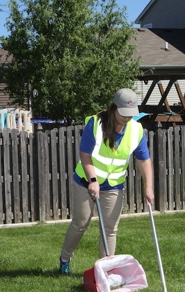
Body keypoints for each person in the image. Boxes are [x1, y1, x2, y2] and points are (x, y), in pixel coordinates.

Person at [59, 88, 154, 275]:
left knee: (110, 228)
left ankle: (105, 270)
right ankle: (65, 258)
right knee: (81, 223)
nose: (127, 118)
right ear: (114, 108)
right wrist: (93, 180)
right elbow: (85, 154)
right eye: (123, 114)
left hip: (114, 185)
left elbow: (144, 159)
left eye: (130, 115)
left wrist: (148, 187)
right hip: (86, 180)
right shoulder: (95, 124)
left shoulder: (136, 130)